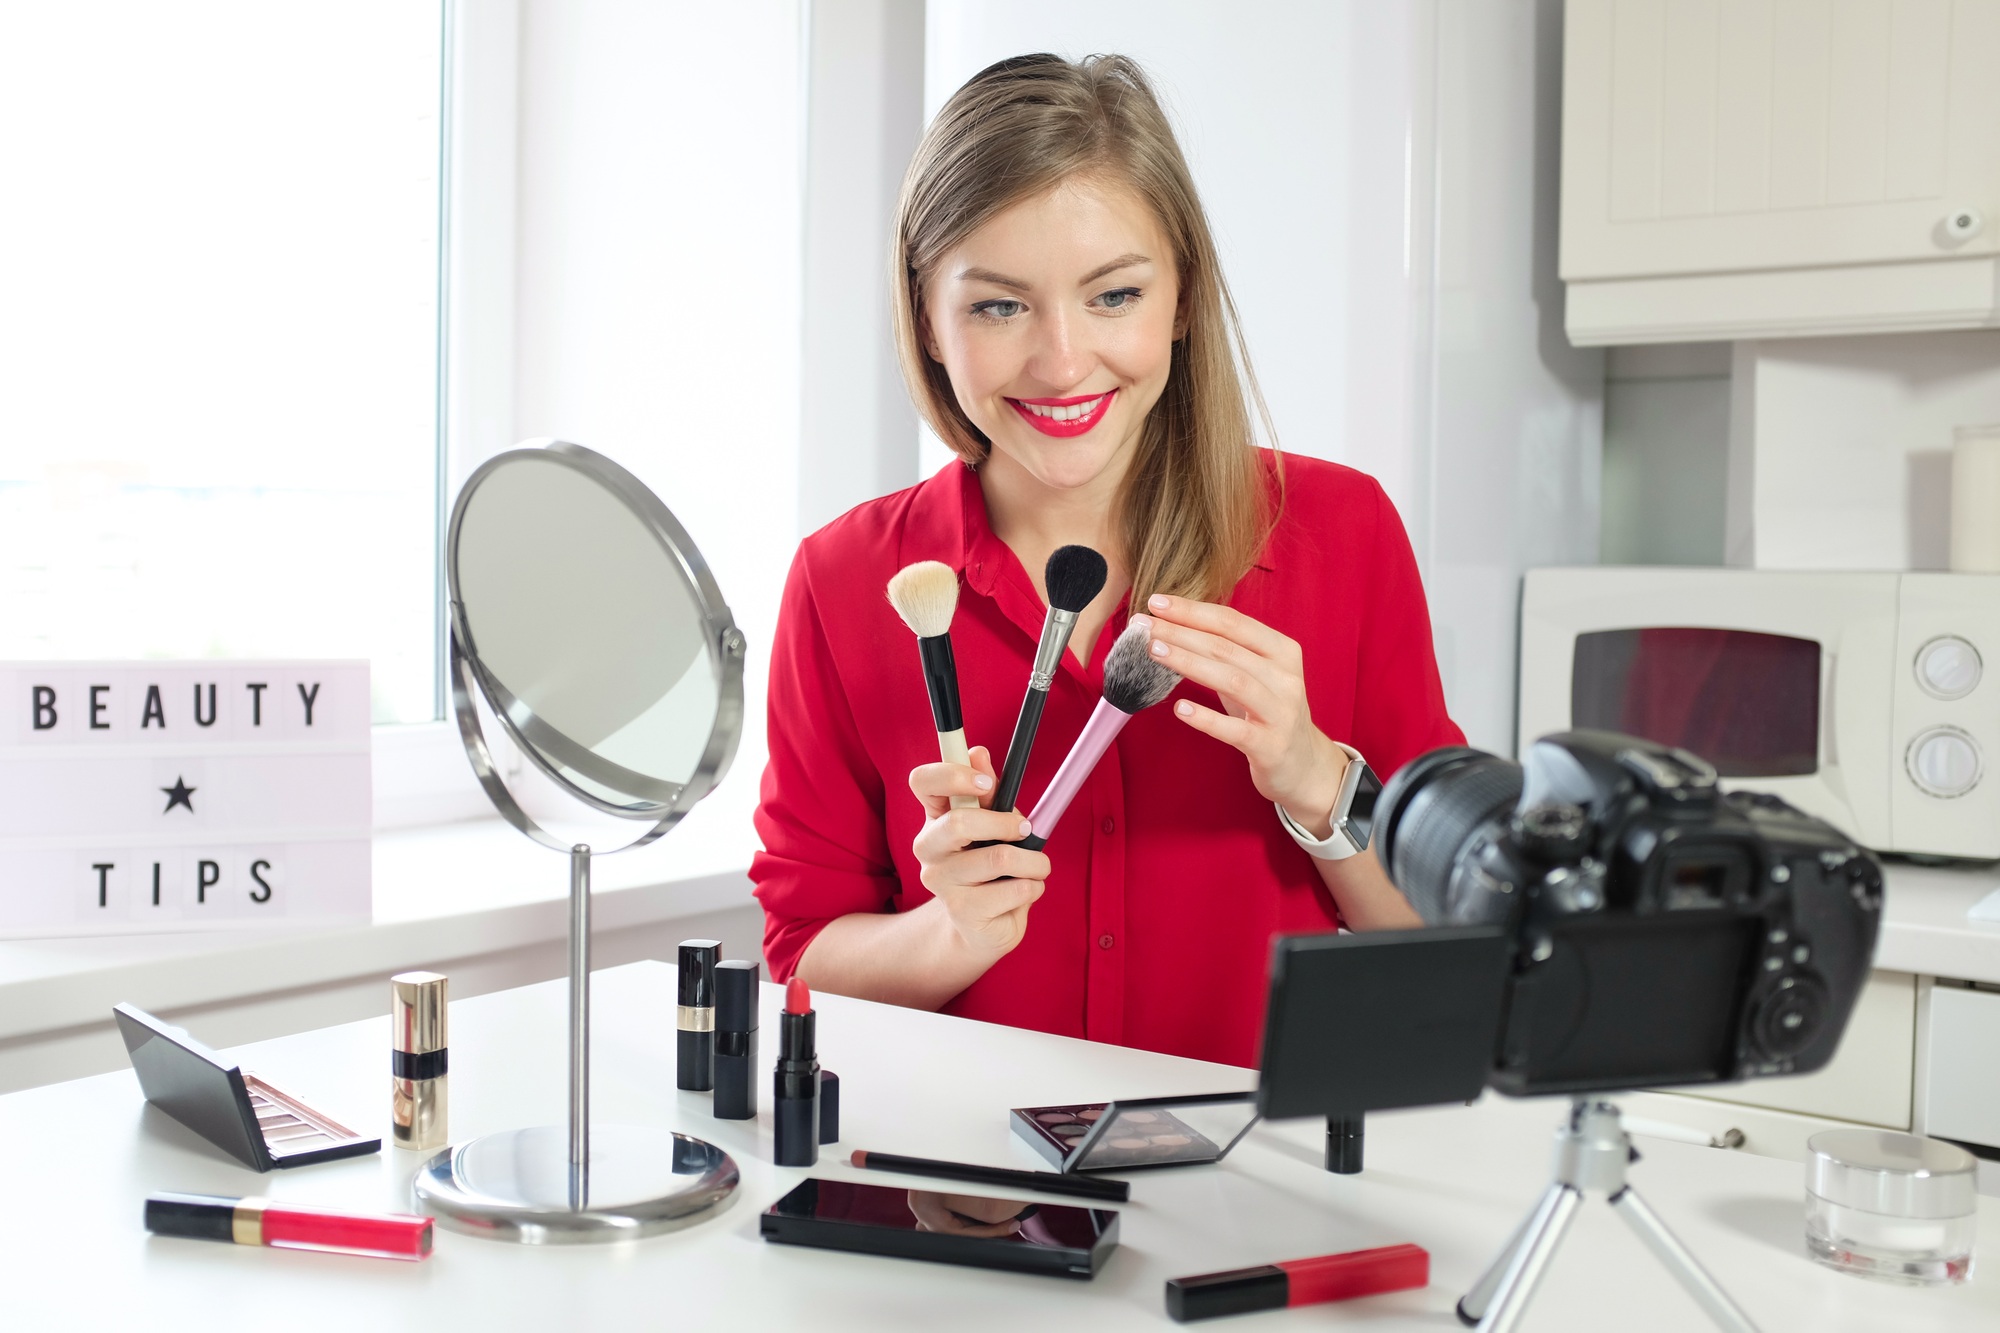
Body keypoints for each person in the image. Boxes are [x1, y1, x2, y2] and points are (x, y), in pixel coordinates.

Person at [751, 53, 1461, 1067]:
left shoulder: (1341, 534)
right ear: (927, 321)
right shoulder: (841, 580)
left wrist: (1316, 783)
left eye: (1112, 295)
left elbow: (1438, 950)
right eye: (998, 306)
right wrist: (942, 936)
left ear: (1179, 298)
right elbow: (798, 962)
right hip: (963, 1186)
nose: (1062, 361)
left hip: (1256, 1194)